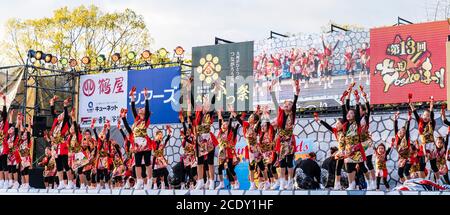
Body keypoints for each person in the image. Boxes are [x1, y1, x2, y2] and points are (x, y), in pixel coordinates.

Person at [121, 86, 152, 189]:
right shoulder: (136, 120)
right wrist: (132, 96)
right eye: (140, 109)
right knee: (137, 163)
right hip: (137, 145)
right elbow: (133, 108)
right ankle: (139, 182)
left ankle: (149, 180)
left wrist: (146, 97)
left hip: (145, 144)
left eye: (142, 108)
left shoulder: (146, 119)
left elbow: (147, 109)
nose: (140, 109)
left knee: (147, 163)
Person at [273, 79, 300, 190]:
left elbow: (295, 102)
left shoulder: (292, 115)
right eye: (286, 104)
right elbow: (275, 103)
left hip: (288, 142)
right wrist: (272, 92)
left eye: (289, 104)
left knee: (289, 162)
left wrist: (295, 91)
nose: (287, 105)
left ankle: (290, 182)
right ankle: (283, 183)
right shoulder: (280, 113)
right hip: (281, 142)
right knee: (282, 163)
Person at [192, 86, 218, 190]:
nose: (206, 104)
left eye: (207, 102)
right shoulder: (198, 114)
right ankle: (200, 181)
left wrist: (215, 92)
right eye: (204, 102)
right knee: (200, 162)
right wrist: (189, 88)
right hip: (199, 141)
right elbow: (192, 100)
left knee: (210, 162)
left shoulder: (209, 114)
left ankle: (211, 181)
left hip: (208, 140)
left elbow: (213, 102)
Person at [342, 88, 367, 190]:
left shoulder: (357, 123)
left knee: (361, 166)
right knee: (349, 167)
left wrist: (357, 101)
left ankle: (370, 183)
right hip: (348, 149)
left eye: (352, 113)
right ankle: (351, 184)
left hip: (357, 148)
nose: (349, 114)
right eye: (348, 114)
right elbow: (346, 108)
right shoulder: (346, 125)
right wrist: (347, 95)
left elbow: (355, 112)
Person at [49, 96, 72, 189]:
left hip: (62, 145)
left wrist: (65, 105)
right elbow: (52, 113)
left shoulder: (64, 123)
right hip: (55, 146)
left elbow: (66, 115)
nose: (60, 115)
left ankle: (70, 182)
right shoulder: (56, 123)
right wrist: (52, 103)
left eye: (61, 115)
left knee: (65, 164)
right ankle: (61, 182)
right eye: (59, 115)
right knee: (58, 164)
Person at [410, 96, 435, 179]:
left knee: (434, 166)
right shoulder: (420, 121)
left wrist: (431, 106)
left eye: (427, 115)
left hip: (430, 145)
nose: (425, 117)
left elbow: (431, 115)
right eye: (424, 115)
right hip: (423, 145)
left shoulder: (431, 123)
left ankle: (438, 181)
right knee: (421, 166)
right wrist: (411, 104)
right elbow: (415, 112)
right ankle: (422, 182)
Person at [216, 108, 240, 190]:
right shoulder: (220, 132)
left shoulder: (229, 132)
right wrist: (219, 113)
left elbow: (230, 122)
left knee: (230, 168)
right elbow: (220, 121)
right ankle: (221, 183)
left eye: (225, 124)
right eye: (223, 124)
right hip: (222, 152)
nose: (224, 125)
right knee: (219, 168)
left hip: (229, 152)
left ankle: (236, 182)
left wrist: (231, 113)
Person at [91, 118, 111, 190]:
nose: (102, 135)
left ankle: (106, 185)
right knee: (98, 172)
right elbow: (96, 133)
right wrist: (93, 127)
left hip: (105, 158)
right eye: (101, 135)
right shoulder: (98, 141)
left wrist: (108, 128)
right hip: (99, 159)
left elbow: (108, 134)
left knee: (106, 172)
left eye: (103, 134)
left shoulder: (107, 141)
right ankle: (98, 185)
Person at [393, 111, 412, 183]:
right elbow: (395, 128)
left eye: (404, 132)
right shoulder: (397, 137)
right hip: (401, 158)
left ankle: (410, 184)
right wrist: (395, 119)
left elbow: (407, 130)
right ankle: (405, 185)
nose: (402, 133)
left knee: (406, 171)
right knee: (400, 173)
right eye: (401, 131)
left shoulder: (406, 138)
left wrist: (408, 120)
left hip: (408, 157)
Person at [18, 117, 33, 189]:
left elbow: (29, 130)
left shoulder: (28, 138)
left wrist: (30, 122)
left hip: (26, 155)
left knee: (26, 170)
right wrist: (20, 121)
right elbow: (21, 129)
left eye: (25, 134)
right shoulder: (20, 140)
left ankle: (27, 184)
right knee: (22, 170)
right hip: (21, 155)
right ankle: (23, 184)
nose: (24, 135)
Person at [0, 94, 9, 189]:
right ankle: (1, 181)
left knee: (4, 164)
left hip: (4, 146)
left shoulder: (5, 122)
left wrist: (4, 102)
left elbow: (5, 112)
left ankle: (7, 181)